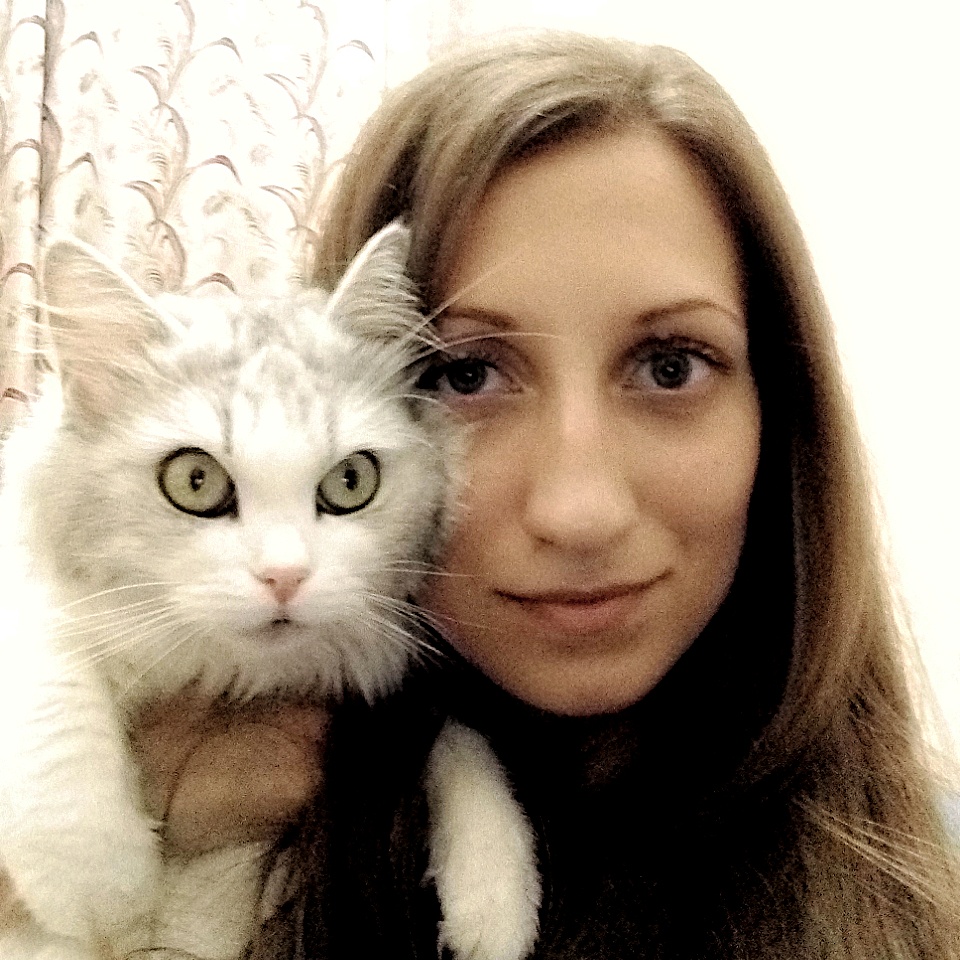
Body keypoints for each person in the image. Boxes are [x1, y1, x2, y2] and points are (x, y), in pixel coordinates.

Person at [142, 29, 959, 960]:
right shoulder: (195, 828)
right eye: (464, 374)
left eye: (670, 365)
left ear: (779, 409)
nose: (580, 513)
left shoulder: (936, 881)